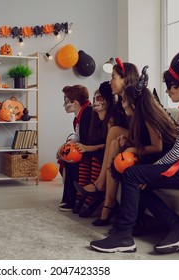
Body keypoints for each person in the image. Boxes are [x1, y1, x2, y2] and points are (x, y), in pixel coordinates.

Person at [89, 47, 179, 254]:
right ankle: (177, 228)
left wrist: (150, 170)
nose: (168, 90)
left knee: (133, 175)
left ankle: (124, 237)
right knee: (141, 183)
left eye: (171, 86)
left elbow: (178, 151)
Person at [74, 58, 139, 222]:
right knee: (114, 138)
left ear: (125, 79)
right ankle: (103, 193)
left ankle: (103, 193)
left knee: (115, 136)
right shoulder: (119, 105)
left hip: (143, 144)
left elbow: (142, 132)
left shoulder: (136, 100)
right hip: (125, 141)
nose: (110, 81)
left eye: (114, 77)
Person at [72, 82, 117, 216]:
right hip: (96, 149)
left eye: (99, 98)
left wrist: (88, 148)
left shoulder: (111, 121)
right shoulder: (94, 119)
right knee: (85, 156)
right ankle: (82, 195)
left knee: (95, 155)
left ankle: (92, 198)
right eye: (94, 98)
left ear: (108, 102)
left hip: (105, 152)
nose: (95, 102)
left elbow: (107, 145)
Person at [57, 85, 93, 211]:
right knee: (66, 159)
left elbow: (88, 138)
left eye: (67, 102)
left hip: (91, 150)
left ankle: (73, 200)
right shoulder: (78, 117)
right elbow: (78, 136)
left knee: (71, 161)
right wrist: (67, 144)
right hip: (83, 147)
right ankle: (68, 198)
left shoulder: (88, 113)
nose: (64, 105)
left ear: (75, 102)